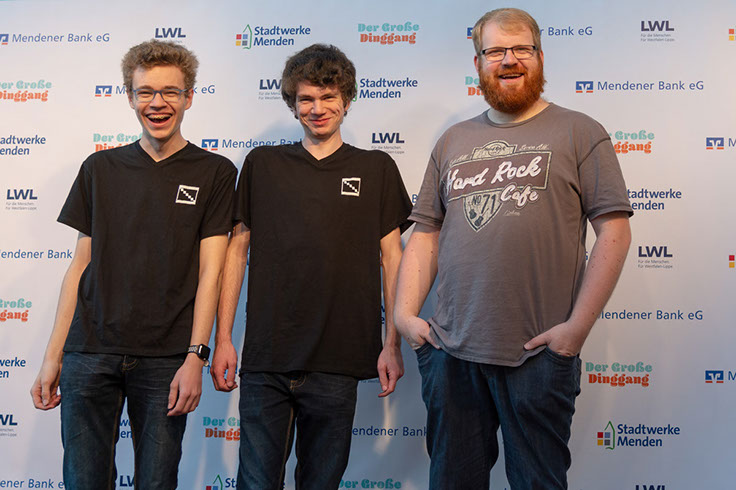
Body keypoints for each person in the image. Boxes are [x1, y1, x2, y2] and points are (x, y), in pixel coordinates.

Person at [394, 8, 632, 489]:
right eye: (496, 51)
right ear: (478, 63)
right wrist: (404, 316)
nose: (509, 60)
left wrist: (574, 332)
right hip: (451, 353)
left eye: (522, 48)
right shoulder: (453, 140)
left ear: (541, 56)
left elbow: (614, 231)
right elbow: (426, 233)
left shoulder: (580, 131)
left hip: (539, 355)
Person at [30, 40, 236, 489]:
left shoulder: (216, 172)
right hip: (90, 352)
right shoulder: (99, 168)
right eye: (145, 92)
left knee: (157, 483)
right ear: (129, 96)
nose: (157, 103)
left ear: (188, 97)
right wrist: (52, 356)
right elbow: (79, 267)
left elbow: (212, 274)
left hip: (167, 360)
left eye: (170, 92)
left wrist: (196, 356)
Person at [211, 44, 412, 490]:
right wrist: (223, 339)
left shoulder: (376, 168)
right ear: (292, 103)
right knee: (256, 484)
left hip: (338, 360)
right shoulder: (262, 164)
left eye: (327, 97)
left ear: (347, 99)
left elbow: (392, 258)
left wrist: (392, 343)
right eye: (306, 98)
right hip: (267, 360)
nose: (317, 108)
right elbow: (236, 252)